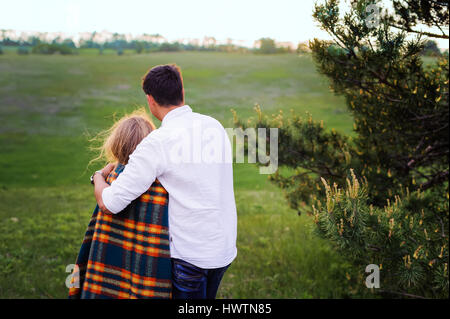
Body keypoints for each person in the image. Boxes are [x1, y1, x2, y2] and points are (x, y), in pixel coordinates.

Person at [92, 64, 237, 299]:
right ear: (182, 92)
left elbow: (110, 203)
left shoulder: (157, 143)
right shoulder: (214, 126)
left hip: (190, 256)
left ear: (150, 100)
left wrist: (98, 176)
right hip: (224, 248)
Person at [69, 110, 172, 299]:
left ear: (116, 144)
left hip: (108, 275)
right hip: (147, 272)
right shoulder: (162, 186)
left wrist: (98, 176)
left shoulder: (110, 182)